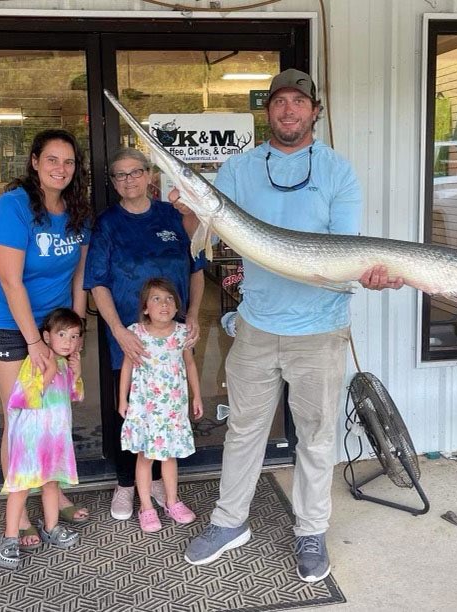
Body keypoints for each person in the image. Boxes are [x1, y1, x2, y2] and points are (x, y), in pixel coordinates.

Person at [179, 68, 403, 582]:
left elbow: (345, 251)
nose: (288, 110)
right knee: (244, 431)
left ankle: (310, 530)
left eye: (297, 103)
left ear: (314, 112)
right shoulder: (236, 169)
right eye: (279, 101)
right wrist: (192, 211)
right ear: (268, 111)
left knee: (317, 437)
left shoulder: (337, 171)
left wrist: (370, 276)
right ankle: (230, 521)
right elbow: (204, 231)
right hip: (256, 326)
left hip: (321, 330)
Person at [0, 129, 93, 550]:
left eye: (68, 162)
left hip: (54, 331)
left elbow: (80, 277)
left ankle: (53, 494)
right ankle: (20, 511)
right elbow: (11, 282)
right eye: (52, 160)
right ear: (34, 162)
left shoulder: (77, 211)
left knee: (52, 419)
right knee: (22, 421)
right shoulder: (13, 207)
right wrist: (34, 343)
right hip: (10, 329)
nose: (60, 169)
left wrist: (73, 339)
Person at [83, 147, 205, 521]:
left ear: (150, 174)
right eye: (119, 175)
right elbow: (97, 282)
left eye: (134, 172)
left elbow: (196, 268)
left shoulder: (174, 217)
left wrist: (195, 317)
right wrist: (118, 331)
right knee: (131, 413)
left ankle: (154, 483)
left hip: (171, 336)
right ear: (114, 182)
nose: (128, 180)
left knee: (166, 410)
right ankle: (125, 484)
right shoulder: (107, 224)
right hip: (130, 339)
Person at [0, 308, 85, 570]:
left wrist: (75, 374)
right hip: (30, 439)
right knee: (20, 488)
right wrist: (48, 373)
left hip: (54, 438)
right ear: (46, 337)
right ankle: (10, 537)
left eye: (74, 336)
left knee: (51, 484)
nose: (69, 342)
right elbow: (22, 399)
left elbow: (74, 396)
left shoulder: (64, 364)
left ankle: (52, 527)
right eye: (62, 335)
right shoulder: (35, 362)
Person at [117, 278, 203, 533]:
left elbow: (189, 364)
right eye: (156, 299)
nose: (164, 304)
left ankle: (172, 501)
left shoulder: (181, 333)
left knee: (169, 456)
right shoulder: (136, 333)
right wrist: (122, 398)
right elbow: (127, 366)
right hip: (145, 408)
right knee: (144, 456)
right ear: (145, 307)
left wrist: (197, 395)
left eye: (169, 299)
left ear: (177, 307)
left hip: (172, 408)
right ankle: (146, 506)